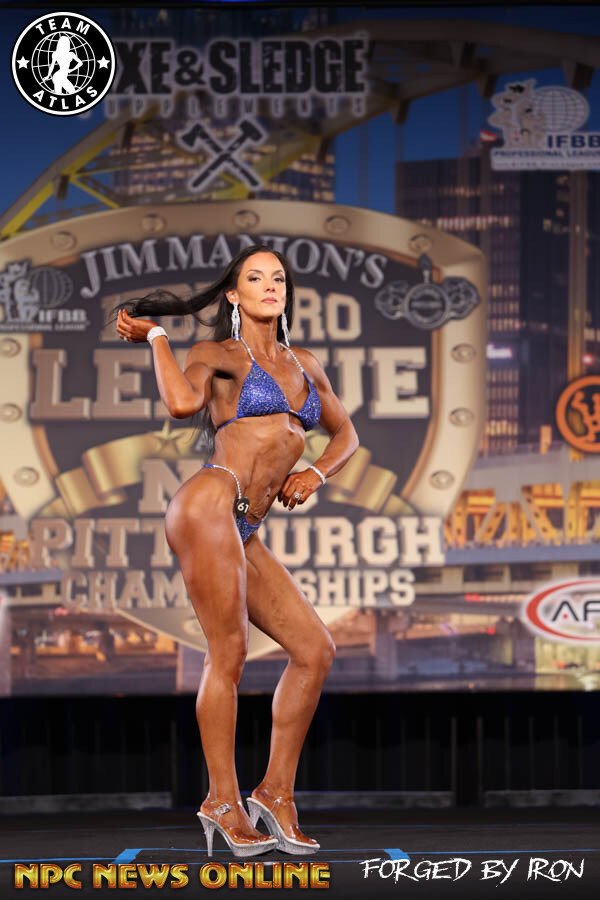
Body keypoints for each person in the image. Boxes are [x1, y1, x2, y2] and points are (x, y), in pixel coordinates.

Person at [116, 244, 359, 857]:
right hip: (209, 504)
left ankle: (275, 793)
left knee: (315, 650)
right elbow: (181, 404)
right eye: (255, 277)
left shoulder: (304, 364)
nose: (270, 285)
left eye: (278, 278)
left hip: (244, 525)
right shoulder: (217, 355)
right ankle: (221, 800)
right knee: (228, 653)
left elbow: (347, 434)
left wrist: (316, 473)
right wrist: (158, 339)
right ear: (234, 294)